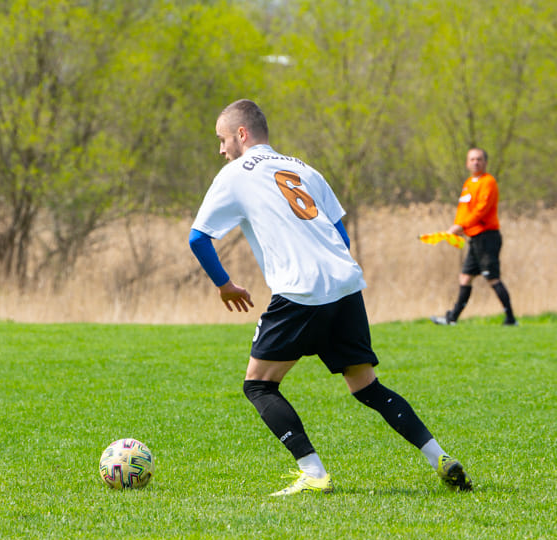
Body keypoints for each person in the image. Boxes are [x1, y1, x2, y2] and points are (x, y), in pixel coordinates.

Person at [189, 99, 472, 495]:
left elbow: (198, 238)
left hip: (300, 290)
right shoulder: (303, 168)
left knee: (258, 385)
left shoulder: (235, 174)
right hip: (344, 283)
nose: (220, 150)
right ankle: (439, 456)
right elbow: (341, 235)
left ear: (241, 134)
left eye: (222, 140)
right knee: (367, 386)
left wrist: (225, 285)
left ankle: (314, 473)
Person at [430, 148, 516, 326]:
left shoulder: (488, 182)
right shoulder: (468, 183)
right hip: (474, 238)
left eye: (479, 159)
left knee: (492, 277)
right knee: (465, 277)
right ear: (467, 163)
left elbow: (481, 211)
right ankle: (452, 318)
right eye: (472, 159)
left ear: (485, 162)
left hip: (487, 237)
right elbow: (464, 210)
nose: (475, 162)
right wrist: (457, 228)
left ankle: (511, 319)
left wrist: (461, 226)